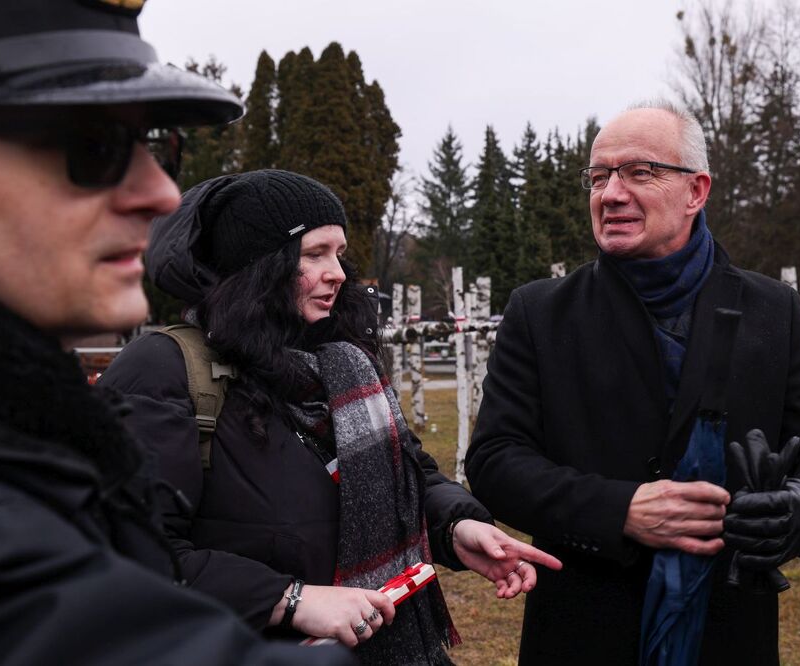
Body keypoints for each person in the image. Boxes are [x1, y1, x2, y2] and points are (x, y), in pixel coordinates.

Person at [0, 2, 357, 665]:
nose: (163, 193)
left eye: (157, 146)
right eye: (93, 145)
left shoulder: (27, 425)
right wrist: (285, 599)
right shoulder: (159, 371)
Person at [99, 169, 562, 664]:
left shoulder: (345, 365)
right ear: (259, 266)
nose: (339, 273)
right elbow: (125, 548)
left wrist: (456, 527)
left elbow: (405, 476)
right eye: (314, 254)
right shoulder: (163, 372)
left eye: (339, 253)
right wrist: (290, 600)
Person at [465, 102, 800, 665]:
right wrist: (619, 509)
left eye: (639, 172)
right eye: (599, 176)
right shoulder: (541, 312)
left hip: (728, 629)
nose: (610, 194)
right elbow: (494, 461)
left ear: (696, 191)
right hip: (586, 629)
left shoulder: (770, 310)